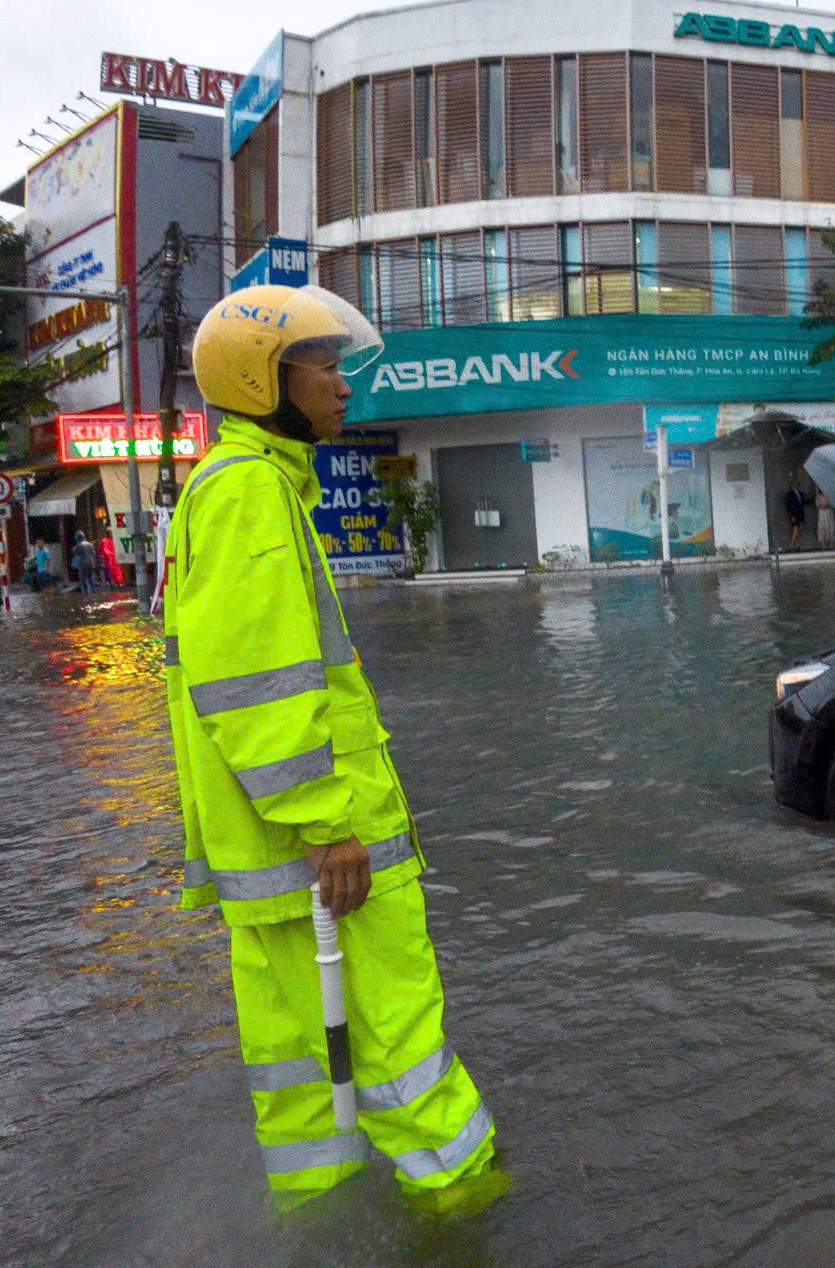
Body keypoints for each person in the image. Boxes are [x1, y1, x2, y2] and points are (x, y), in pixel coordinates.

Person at [166, 283, 501, 1210]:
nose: (342, 385)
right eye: (322, 366)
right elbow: (256, 687)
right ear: (263, 379)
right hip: (322, 858)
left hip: (267, 861)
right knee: (403, 1054)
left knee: (304, 1084)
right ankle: (471, 1229)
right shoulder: (250, 498)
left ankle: (325, 1238)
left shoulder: (238, 488)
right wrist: (324, 825)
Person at [782, 476, 810, 551]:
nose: (797, 486)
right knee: (796, 530)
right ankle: (791, 545)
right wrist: (791, 515)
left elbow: (804, 502)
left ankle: (798, 545)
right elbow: (788, 505)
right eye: (795, 484)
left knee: (800, 530)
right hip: (794, 514)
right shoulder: (790, 494)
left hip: (800, 513)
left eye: (798, 484)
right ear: (792, 486)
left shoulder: (800, 493)